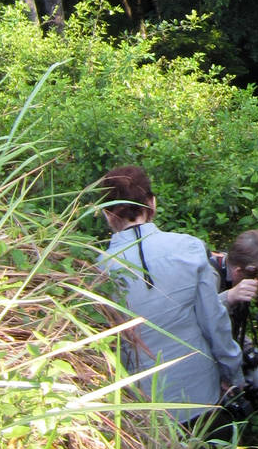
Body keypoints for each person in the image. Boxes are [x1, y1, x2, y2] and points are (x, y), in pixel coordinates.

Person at [95, 164, 244, 429]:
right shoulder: (189, 247)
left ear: (107, 215)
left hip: (145, 408)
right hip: (201, 393)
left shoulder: (100, 271)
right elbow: (214, 321)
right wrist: (233, 374)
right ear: (152, 203)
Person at [211, 228, 258, 311]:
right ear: (237, 272)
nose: (255, 291)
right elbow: (200, 313)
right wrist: (228, 297)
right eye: (257, 284)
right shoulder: (210, 276)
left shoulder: (230, 261)